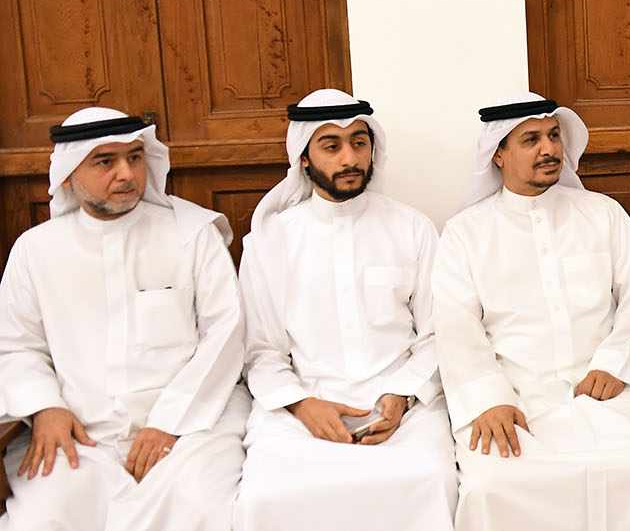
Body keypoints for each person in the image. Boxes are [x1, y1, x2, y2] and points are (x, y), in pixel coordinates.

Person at [432, 93, 630, 531]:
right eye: (531, 139)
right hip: (516, 393)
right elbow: (456, 325)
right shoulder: (464, 233)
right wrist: (488, 398)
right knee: (490, 486)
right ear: (498, 154)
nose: (549, 148)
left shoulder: (603, 213)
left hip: (607, 386)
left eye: (553, 136)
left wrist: (614, 363)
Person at [0, 107, 248, 530]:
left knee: (201, 508)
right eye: (105, 161)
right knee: (43, 518)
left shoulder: (192, 234)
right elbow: (17, 344)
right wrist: (44, 407)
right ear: (68, 175)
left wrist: (170, 422)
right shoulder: (35, 250)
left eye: (135, 157)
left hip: (193, 424)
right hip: (81, 430)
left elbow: (226, 334)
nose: (127, 174)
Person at [234, 89, 457, 530]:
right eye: (331, 146)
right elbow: (261, 351)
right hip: (300, 407)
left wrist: (403, 395)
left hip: (403, 408)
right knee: (264, 497)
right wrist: (303, 406)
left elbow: (438, 334)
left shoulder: (412, 228)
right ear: (304, 158)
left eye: (359, 142)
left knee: (430, 479)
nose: (350, 158)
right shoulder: (270, 242)